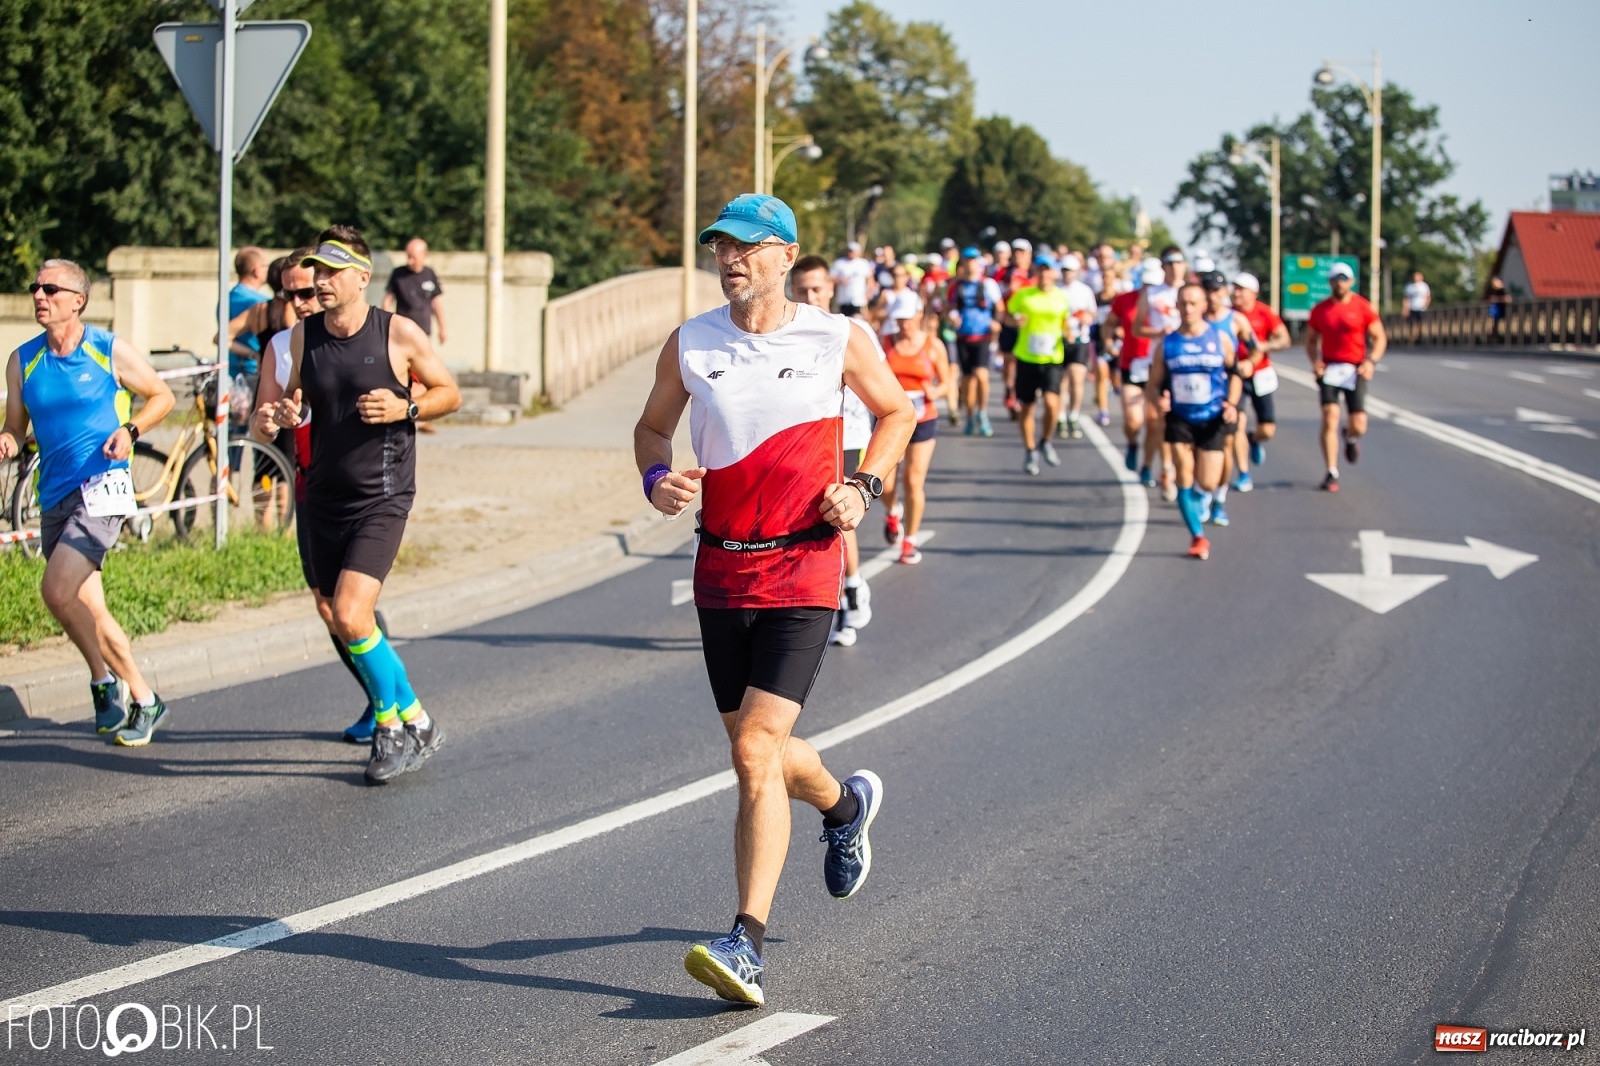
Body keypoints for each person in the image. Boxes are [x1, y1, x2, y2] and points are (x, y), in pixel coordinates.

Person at [635, 194, 914, 1006]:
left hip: (804, 565)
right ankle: (844, 801)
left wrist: (862, 486)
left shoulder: (836, 337)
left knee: (755, 751)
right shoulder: (692, 342)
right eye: (721, 246)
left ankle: (746, 944)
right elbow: (653, 430)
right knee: (754, 749)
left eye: (749, 247)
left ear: (786, 255)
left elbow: (897, 411)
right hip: (721, 568)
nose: (731, 259)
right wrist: (659, 477)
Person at [255, 226, 461, 784]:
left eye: (330, 273)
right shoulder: (302, 338)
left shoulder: (397, 333)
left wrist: (405, 408)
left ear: (361, 278)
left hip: (383, 496)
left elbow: (449, 392)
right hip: (322, 495)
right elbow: (280, 409)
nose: (319, 282)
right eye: (315, 272)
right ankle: (419, 719)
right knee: (342, 617)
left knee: (350, 612)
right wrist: (277, 418)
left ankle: (390, 728)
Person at [0, 260, 176, 744]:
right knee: (89, 610)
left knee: (56, 591)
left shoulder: (106, 349)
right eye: (34, 286)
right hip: (53, 493)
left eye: (50, 288)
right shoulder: (22, 360)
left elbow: (161, 395)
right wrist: (8, 441)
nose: (39, 294)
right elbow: (16, 426)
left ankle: (138, 695)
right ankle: (107, 682)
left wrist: (131, 429)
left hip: (100, 489)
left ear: (78, 299)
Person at [789, 254, 878, 648]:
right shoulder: (785, 333)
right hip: (802, 440)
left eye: (817, 289)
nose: (810, 297)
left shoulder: (852, 331)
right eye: (803, 289)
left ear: (831, 289)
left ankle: (847, 593)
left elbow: (885, 393)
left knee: (836, 516)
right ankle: (837, 589)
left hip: (849, 435)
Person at [1151, 283, 1240, 560]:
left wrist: (1232, 403)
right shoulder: (1167, 344)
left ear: (1203, 305)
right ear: (1176, 306)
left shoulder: (1220, 338)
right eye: (1183, 303)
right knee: (1183, 474)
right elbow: (1152, 384)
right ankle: (1197, 536)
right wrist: (1159, 400)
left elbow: (1235, 373)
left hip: (1212, 417)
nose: (1188, 309)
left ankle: (1202, 499)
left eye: (1193, 303)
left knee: (1209, 482)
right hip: (1180, 418)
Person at [1306, 262, 1386, 492]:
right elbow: (1311, 341)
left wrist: (1371, 362)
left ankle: (1350, 437)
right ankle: (1331, 471)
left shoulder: (1362, 307)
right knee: (1330, 416)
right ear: (1330, 282)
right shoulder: (1321, 310)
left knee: (1359, 424)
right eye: (1336, 279)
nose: (1340, 283)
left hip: (1355, 368)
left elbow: (1379, 337)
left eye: (1344, 278)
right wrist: (1316, 362)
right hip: (1330, 367)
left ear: (1351, 282)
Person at [881, 304, 951, 564]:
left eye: (907, 318)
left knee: (913, 481)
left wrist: (937, 391)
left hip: (923, 419)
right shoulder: (885, 342)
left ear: (919, 315)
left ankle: (910, 540)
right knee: (884, 485)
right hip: (893, 419)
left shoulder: (933, 345)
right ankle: (892, 510)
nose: (903, 324)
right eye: (898, 319)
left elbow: (946, 381)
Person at [1198, 271, 1256, 527]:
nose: (1213, 296)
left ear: (1224, 293)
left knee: (1227, 443)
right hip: (1198, 392)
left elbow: (1254, 349)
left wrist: (1248, 365)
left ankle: (1219, 499)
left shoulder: (1236, 320)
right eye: (1208, 290)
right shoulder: (1193, 319)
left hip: (1228, 389)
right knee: (1199, 448)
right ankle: (1201, 492)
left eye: (1217, 291)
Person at [1007, 255, 1070, 475]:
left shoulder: (1062, 297)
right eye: (1041, 270)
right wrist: (1014, 321)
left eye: (1048, 270)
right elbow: (1007, 315)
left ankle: (1046, 440)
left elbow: (1066, 322)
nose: (1044, 275)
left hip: (1052, 358)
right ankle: (1030, 449)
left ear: (1054, 273)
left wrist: (1070, 331)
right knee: (1027, 407)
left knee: (1053, 403)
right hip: (1027, 357)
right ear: (1036, 273)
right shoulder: (1024, 295)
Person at [1228, 272, 1289, 488]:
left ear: (1253, 293)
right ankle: (1243, 474)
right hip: (1235, 375)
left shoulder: (1264, 313)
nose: (1236, 293)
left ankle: (1254, 440)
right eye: (1234, 288)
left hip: (1260, 374)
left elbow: (1284, 339)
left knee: (1267, 430)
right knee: (1237, 423)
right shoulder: (1228, 314)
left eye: (1241, 289)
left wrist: (1264, 347)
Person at [1133, 247, 1186, 501]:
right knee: (1156, 421)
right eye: (1170, 263)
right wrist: (1157, 333)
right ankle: (1156, 466)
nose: (1175, 267)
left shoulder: (1191, 293)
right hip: (1159, 362)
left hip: (1187, 365)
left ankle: (1172, 469)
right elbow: (1137, 328)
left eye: (1179, 263)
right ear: (1163, 267)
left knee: (1179, 422)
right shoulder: (1152, 293)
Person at [946, 247, 1002, 438]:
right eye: (967, 260)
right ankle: (970, 415)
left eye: (974, 260)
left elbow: (1000, 308)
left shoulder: (988, 284)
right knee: (968, 380)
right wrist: (951, 317)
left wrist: (996, 322)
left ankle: (983, 412)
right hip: (963, 337)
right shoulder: (956, 286)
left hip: (983, 336)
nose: (971, 264)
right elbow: (949, 307)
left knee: (982, 375)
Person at [1054, 253, 1099, 440]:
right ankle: (1061, 417)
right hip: (1059, 340)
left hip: (1080, 340)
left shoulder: (1084, 290)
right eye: (1064, 270)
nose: (1067, 274)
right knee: (1061, 382)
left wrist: (1087, 318)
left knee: (1076, 379)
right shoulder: (1056, 290)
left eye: (1070, 271)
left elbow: (1093, 313)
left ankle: (1074, 415)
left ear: (1077, 272)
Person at [384, 238, 448, 345]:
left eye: (413, 257)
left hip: (424, 332)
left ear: (424, 256)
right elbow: (387, 301)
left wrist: (442, 328)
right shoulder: (398, 274)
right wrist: (388, 324)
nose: (410, 261)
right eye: (408, 256)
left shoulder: (429, 273)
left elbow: (436, 303)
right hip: (403, 332)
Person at [228, 247, 272, 378]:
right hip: (254, 371)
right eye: (266, 266)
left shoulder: (225, 300)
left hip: (232, 372)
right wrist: (254, 354)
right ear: (257, 271)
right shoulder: (260, 304)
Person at [829, 242, 874, 318]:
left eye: (853, 251)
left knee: (858, 318)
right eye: (850, 251)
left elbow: (870, 279)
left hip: (859, 299)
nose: (851, 253)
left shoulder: (863, 263)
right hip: (844, 300)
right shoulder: (839, 263)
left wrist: (869, 293)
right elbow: (830, 277)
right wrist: (840, 281)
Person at [1403, 270, 1431, 343]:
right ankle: (1412, 337)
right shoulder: (1409, 286)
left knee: (1421, 323)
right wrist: (1405, 308)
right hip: (1412, 307)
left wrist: (1426, 304)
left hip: (1422, 308)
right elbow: (1406, 298)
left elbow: (1428, 296)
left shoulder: (1424, 286)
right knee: (1411, 323)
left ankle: (1421, 337)